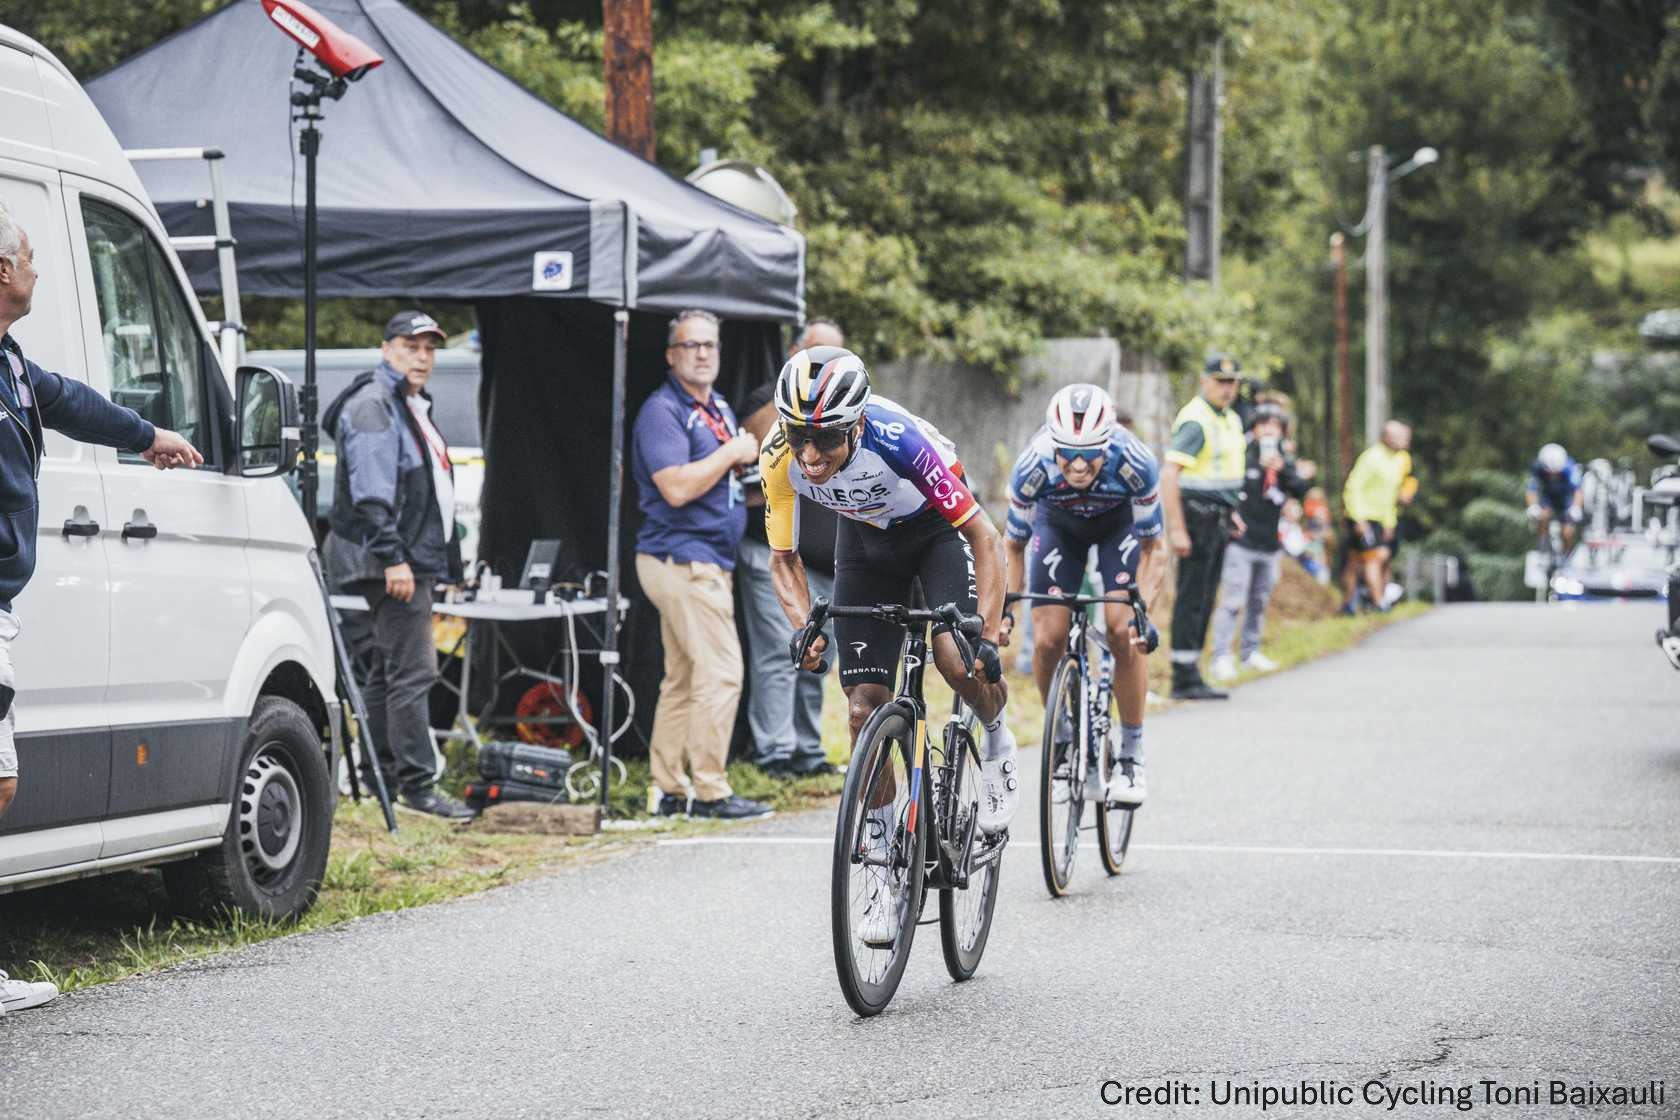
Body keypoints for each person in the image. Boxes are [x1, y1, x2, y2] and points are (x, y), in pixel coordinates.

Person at [0, 202, 202, 1015]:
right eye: (31, 258)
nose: (38, 271)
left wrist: (146, 432)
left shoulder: (10, 362)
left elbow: (73, 401)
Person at [761, 348, 1015, 915]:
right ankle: (880, 852)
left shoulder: (898, 441)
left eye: (825, 439)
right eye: (798, 434)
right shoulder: (780, 457)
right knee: (862, 709)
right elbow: (783, 558)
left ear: (856, 426)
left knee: (956, 660)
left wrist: (991, 635)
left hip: (936, 533)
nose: (809, 454)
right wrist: (806, 627)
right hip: (866, 542)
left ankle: (997, 738)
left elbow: (985, 538)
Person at [323, 310, 473, 821]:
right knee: (413, 671)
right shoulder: (375, 405)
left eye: (430, 348)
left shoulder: (407, 403)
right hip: (388, 560)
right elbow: (371, 492)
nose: (422, 357)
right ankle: (416, 787)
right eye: (411, 346)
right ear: (386, 349)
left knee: (389, 673)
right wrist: (395, 558)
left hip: (402, 559)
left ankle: (382, 777)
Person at [632, 309, 772, 821]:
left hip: (705, 559)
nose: (702, 353)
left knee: (685, 677)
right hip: (682, 560)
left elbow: (724, 483)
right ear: (672, 355)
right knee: (722, 672)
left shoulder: (715, 406)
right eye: (691, 346)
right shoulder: (663, 411)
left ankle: (668, 789)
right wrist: (732, 451)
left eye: (710, 345)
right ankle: (710, 790)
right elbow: (675, 487)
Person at [1001, 384, 1164, 805]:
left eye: (1089, 453)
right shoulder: (1032, 465)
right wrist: (1005, 608)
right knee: (1048, 638)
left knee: (1122, 630)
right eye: (1066, 452)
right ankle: (1061, 739)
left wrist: (1142, 611)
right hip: (1058, 527)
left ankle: (1131, 754)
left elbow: (1153, 550)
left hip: (1118, 526)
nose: (1076, 465)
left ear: (1107, 444)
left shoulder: (1135, 462)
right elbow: (1012, 546)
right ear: (1051, 443)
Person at [735, 320, 845, 778]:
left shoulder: (844, 410)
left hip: (827, 561)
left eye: (836, 356)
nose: (825, 366)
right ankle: (774, 753)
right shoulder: (768, 401)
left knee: (820, 653)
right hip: (774, 553)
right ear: (795, 350)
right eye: (817, 352)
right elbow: (774, 450)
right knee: (782, 653)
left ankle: (806, 750)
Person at [1160, 353, 1247, 700]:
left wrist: (1232, 511)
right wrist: (1178, 529)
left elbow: (1222, 474)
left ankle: (1192, 670)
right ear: (1205, 381)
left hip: (1218, 516)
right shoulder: (1197, 420)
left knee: (1207, 596)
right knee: (1192, 597)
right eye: (1221, 382)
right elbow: (1170, 475)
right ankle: (1183, 675)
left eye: (1232, 382)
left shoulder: (1228, 419)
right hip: (1196, 517)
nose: (1227, 389)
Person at [1209, 402, 1314, 682]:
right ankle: (1221, 656)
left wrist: (1284, 470)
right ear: (1253, 429)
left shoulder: (1283, 460)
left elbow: (1301, 490)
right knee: (1232, 600)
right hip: (1240, 541)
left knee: (1259, 600)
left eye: (1275, 426)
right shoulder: (1241, 455)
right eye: (1263, 424)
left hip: (1270, 543)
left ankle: (1250, 652)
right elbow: (1228, 485)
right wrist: (1256, 465)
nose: (1269, 431)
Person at [1340, 420, 1414, 614]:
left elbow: (1390, 495)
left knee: (1356, 562)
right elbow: (1353, 487)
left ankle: (1349, 604)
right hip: (1363, 516)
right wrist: (1358, 519)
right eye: (1399, 437)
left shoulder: (1397, 460)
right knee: (1374, 558)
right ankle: (1379, 602)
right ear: (1387, 437)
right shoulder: (1371, 457)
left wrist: (1390, 523)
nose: (1404, 441)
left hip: (1382, 518)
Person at [1526, 442, 1584, 554]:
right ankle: (1542, 546)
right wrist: (1533, 506)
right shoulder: (1537, 467)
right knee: (1541, 517)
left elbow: (1578, 491)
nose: (1553, 475)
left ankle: (1567, 555)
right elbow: (1531, 490)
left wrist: (1576, 507)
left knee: (1568, 532)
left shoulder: (1569, 467)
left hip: (1565, 498)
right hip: (1548, 497)